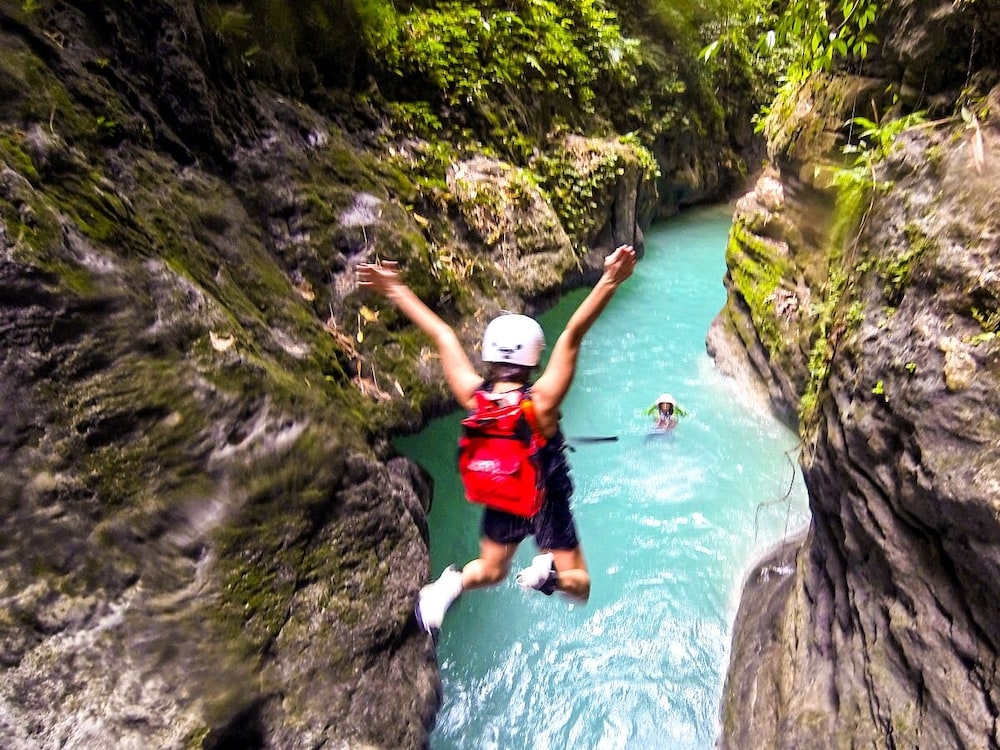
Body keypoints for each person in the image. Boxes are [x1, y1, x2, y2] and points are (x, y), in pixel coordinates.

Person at [357, 245, 637, 638]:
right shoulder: (540, 402)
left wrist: (393, 289)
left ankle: (448, 586)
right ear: (533, 357)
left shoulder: (475, 397)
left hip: (501, 493)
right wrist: (610, 279)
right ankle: (548, 573)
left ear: (489, 355)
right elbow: (572, 334)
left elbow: (441, 334)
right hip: (543, 499)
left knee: (489, 570)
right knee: (580, 586)